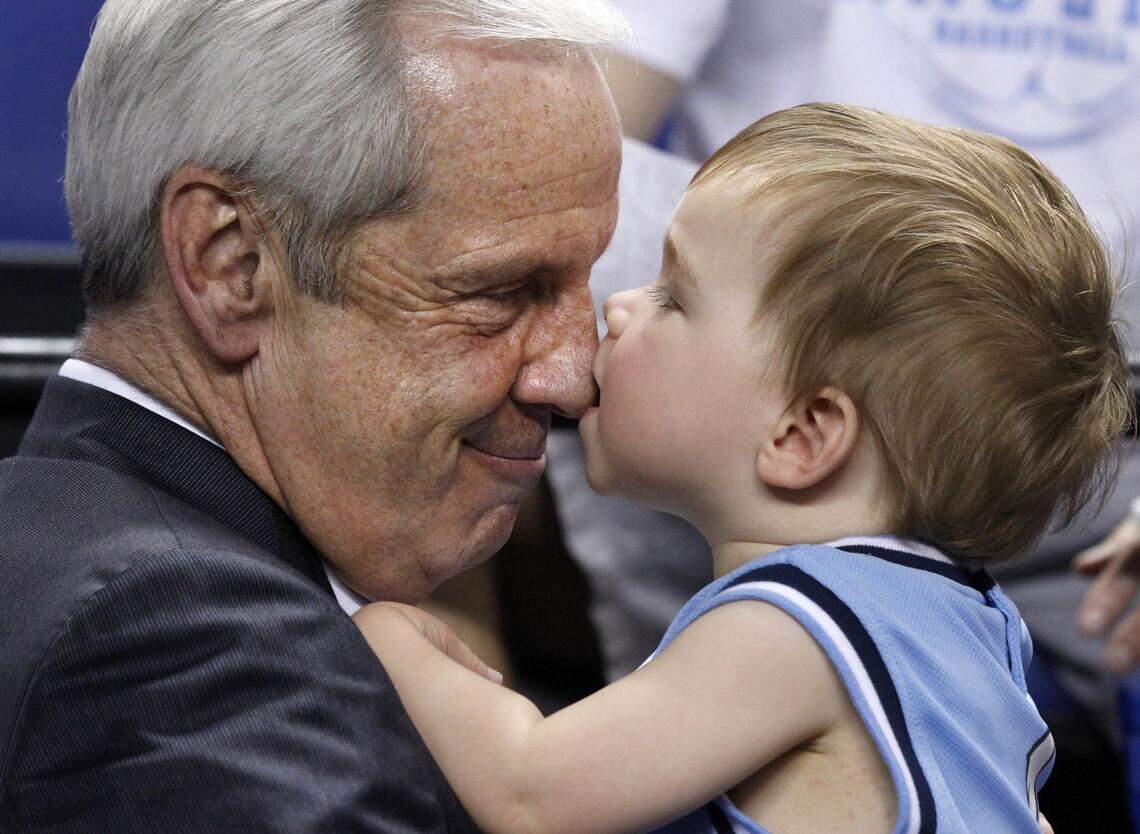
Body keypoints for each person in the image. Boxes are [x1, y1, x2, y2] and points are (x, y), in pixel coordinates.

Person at [354, 103, 1125, 833]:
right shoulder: (970, 620)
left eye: (674, 296)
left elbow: (529, 793)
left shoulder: (793, 630)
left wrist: (384, 635)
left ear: (803, 434)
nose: (618, 306)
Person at [0, 0, 629, 830]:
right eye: (502, 292)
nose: (575, 378)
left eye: (587, 284)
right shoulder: (188, 650)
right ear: (232, 265)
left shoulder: (64, 540)